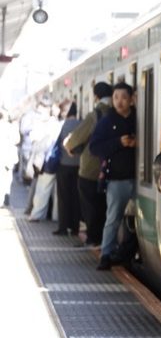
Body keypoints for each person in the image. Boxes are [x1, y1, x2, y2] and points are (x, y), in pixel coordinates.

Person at [89, 82, 137, 270]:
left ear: (132, 99)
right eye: (116, 97)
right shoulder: (107, 121)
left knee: (138, 221)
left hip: (141, 180)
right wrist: (119, 142)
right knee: (113, 219)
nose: (119, 101)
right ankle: (105, 255)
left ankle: (129, 251)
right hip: (117, 180)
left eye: (124, 97)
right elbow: (94, 147)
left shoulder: (138, 118)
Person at [65, 82, 113, 247]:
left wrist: (69, 147)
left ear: (96, 97)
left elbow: (75, 139)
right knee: (104, 206)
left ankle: (94, 239)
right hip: (113, 169)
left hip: (91, 169)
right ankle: (103, 240)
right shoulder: (117, 112)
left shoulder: (95, 115)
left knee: (90, 206)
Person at [53, 102, 82, 236]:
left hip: (63, 166)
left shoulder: (61, 125)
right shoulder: (81, 124)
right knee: (76, 197)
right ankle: (75, 228)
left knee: (63, 198)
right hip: (78, 166)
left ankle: (63, 227)